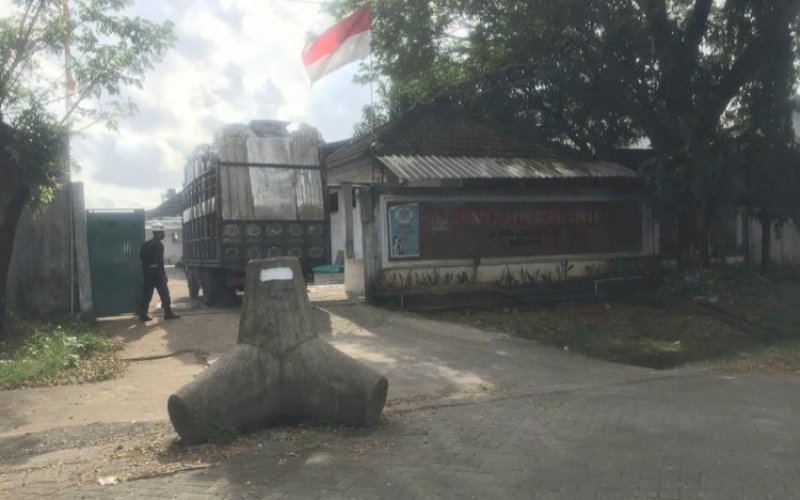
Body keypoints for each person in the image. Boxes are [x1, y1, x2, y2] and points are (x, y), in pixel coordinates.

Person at [137, 222, 179, 321]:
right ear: (158, 233)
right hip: (156, 273)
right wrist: (163, 275)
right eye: (162, 232)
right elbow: (160, 262)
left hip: (147, 272)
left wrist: (148, 267)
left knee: (147, 294)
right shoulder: (159, 245)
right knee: (164, 293)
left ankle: (142, 315)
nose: (163, 234)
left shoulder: (146, 244)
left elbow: (141, 257)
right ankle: (168, 314)